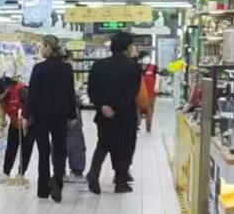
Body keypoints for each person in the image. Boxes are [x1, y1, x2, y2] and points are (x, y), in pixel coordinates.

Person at [86, 31, 143, 193]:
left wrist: (103, 106)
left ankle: (93, 174)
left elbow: (91, 90)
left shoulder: (98, 66)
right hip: (125, 115)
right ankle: (120, 182)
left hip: (103, 114)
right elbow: (131, 92)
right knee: (124, 147)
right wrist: (116, 107)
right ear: (128, 47)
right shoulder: (133, 67)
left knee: (103, 144)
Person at [25, 36, 76, 202]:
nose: (40, 49)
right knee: (60, 149)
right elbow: (70, 93)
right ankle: (57, 181)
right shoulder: (67, 68)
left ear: (48, 47)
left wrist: (27, 115)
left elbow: (32, 95)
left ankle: (43, 189)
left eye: (42, 46)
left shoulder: (39, 68)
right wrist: (72, 115)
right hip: (60, 114)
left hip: (41, 115)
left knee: (44, 151)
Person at [0, 77, 32, 184]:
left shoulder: (22, 91)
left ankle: (21, 174)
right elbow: (2, 108)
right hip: (14, 124)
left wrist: (26, 118)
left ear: (6, 89)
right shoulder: (1, 96)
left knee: (26, 149)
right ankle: (6, 173)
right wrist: (2, 121)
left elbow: (33, 104)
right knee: (10, 148)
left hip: (29, 126)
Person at [139, 55, 160, 132]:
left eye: (147, 57)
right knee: (137, 108)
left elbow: (157, 77)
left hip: (150, 92)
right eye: (144, 57)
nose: (146, 59)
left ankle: (148, 125)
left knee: (150, 108)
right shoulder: (138, 67)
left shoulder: (154, 68)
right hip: (139, 92)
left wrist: (156, 86)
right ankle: (137, 124)